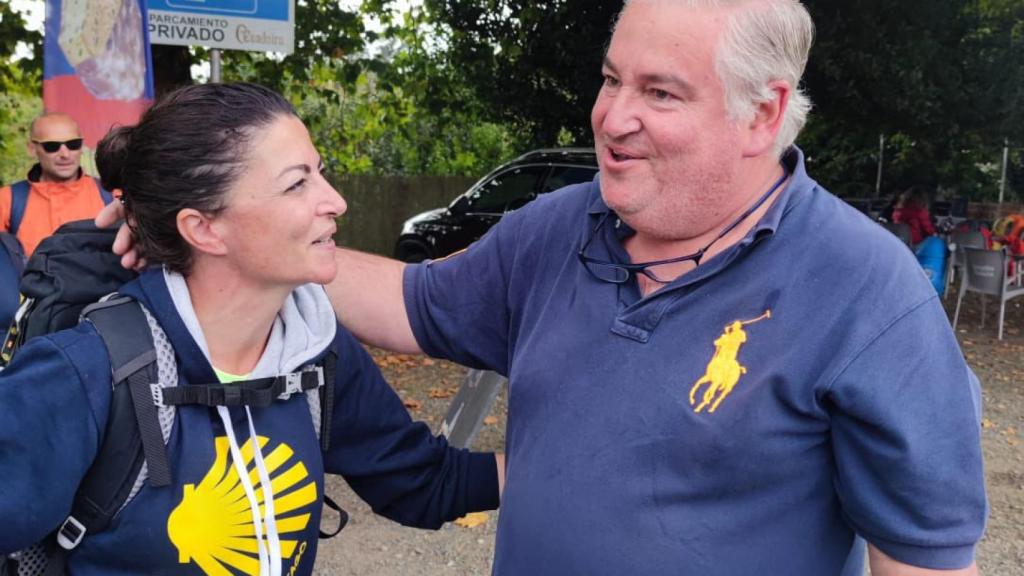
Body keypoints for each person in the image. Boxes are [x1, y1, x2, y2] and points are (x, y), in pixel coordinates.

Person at [102, 2, 987, 575]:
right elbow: (409, 303)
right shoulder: (560, 227)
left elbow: (924, 561)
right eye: (610, 78)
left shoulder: (869, 293)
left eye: (659, 92)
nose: (612, 116)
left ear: (762, 112)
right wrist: (220, 246)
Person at [0, 83, 501, 575]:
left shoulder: (315, 351)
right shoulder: (83, 372)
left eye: (320, 173)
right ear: (203, 229)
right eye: (297, 183)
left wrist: (567, 462)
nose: (336, 201)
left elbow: (423, 483)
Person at [0, 113, 113, 255]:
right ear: (32, 149)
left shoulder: (111, 196)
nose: (65, 154)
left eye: (73, 144)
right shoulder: (7, 200)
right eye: (52, 146)